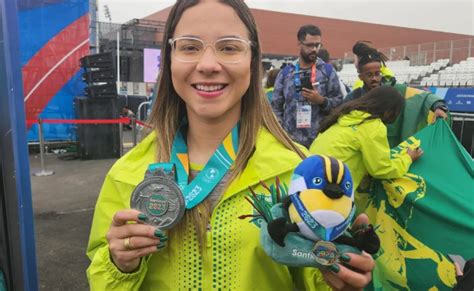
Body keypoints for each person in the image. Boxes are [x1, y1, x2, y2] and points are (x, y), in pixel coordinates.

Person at [86, 1, 375, 290]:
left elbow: (314, 274)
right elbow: (100, 278)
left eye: (229, 47)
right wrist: (119, 264)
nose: (208, 64)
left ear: (252, 59)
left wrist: (339, 279)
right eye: (189, 47)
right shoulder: (126, 175)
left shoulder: (295, 173)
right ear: (170, 59)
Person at [310, 86, 423, 193]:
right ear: (389, 111)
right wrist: (408, 158)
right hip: (330, 190)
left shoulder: (347, 115)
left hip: (310, 181)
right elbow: (381, 169)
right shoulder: (373, 126)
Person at [344, 41, 448, 147]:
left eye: (377, 74)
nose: (374, 78)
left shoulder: (395, 91)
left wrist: (438, 106)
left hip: (393, 151)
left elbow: (423, 96)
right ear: (361, 77)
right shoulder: (353, 98)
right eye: (369, 75)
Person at [271, 24, 342, 148]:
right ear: (299, 43)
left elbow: (340, 105)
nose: (314, 49)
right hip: (290, 142)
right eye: (310, 45)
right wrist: (281, 131)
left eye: (317, 45)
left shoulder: (327, 71)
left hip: (320, 141)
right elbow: (275, 107)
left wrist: (322, 101)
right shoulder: (286, 73)